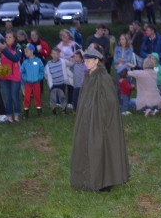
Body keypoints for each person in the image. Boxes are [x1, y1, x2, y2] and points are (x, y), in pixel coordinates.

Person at [70, 46, 130, 191]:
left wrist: (101, 118)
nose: (86, 63)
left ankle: (104, 181)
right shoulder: (88, 77)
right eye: (85, 60)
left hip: (100, 121)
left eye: (89, 60)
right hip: (87, 120)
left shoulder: (103, 78)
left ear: (97, 61)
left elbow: (110, 102)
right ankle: (86, 179)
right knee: (86, 146)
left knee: (101, 148)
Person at [0, 31, 23, 123]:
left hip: (14, 77)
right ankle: (9, 116)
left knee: (14, 96)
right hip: (3, 77)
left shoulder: (18, 47)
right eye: (6, 37)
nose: (7, 39)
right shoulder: (2, 48)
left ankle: (16, 115)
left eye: (10, 37)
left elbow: (15, 58)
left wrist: (4, 50)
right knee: (7, 97)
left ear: (14, 38)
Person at [21, 43, 45, 118]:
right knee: (26, 97)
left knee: (37, 97)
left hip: (36, 83)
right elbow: (22, 72)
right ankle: (26, 114)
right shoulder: (25, 62)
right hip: (28, 83)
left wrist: (39, 78)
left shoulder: (38, 61)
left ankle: (39, 112)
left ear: (31, 51)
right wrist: (25, 78)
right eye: (24, 51)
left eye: (26, 51)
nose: (25, 53)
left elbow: (42, 70)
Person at [45, 48, 72, 114]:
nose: (55, 55)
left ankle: (64, 109)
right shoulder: (48, 64)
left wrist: (70, 58)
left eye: (57, 54)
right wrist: (48, 80)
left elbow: (70, 64)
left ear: (59, 55)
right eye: (54, 54)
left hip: (61, 83)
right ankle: (53, 109)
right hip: (53, 84)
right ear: (51, 54)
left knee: (62, 96)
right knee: (53, 97)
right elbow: (46, 73)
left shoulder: (63, 61)